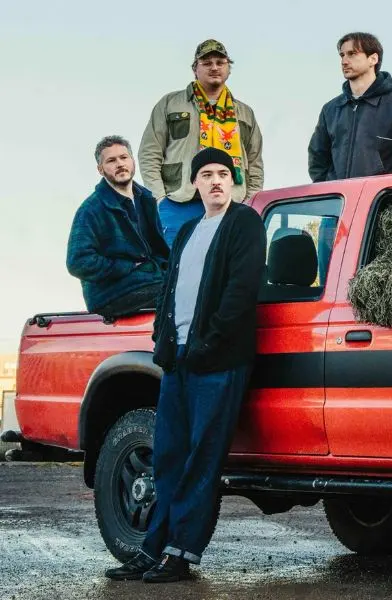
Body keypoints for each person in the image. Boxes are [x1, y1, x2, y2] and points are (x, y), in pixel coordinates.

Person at [104, 147, 266, 583]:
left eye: (223, 174)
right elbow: (171, 289)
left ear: (233, 181)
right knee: (169, 456)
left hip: (219, 363)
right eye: (207, 174)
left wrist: (208, 343)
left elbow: (240, 291)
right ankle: (151, 549)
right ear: (194, 183)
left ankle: (181, 553)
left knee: (201, 459)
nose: (215, 180)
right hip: (178, 362)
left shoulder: (244, 223)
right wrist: (163, 340)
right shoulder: (191, 229)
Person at [139, 39, 264, 247]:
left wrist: (249, 201)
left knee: (223, 269)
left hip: (231, 203)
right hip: (180, 202)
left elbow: (255, 161)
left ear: (228, 69)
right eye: (206, 63)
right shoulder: (171, 103)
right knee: (178, 268)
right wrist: (160, 198)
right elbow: (149, 153)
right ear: (195, 69)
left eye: (220, 62)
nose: (214, 67)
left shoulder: (244, 112)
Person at [308, 32, 392, 182]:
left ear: (373, 59)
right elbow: (317, 159)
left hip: (382, 201)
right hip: (343, 201)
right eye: (342, 55)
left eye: (352, 54)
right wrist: (329, 193)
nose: (344, 61)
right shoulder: (331, 110)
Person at [67, 136, 168, 318]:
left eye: (124, 157)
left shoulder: (146, 199)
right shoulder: (91, 209)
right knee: (180, 295)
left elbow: (158, 249)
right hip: (111, 294)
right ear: (100, 169)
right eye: (111, 160)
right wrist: (128, 267)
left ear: (132, 161)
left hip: (150, 281)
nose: (120, 164)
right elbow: (78, 262)